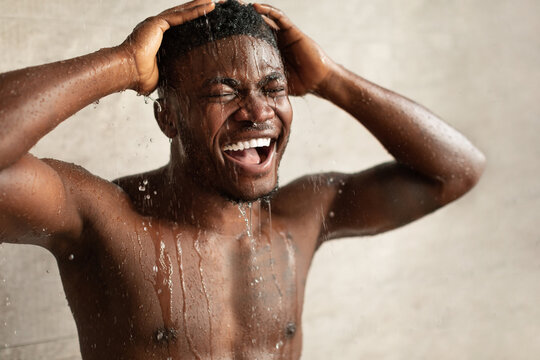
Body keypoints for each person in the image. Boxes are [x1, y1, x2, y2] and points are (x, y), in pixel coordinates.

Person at [0, 0, 485, 359]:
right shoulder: (101, 217)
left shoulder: (302, 215)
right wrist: (124, 63)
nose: (258, 111)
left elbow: (456, 171)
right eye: (223, 92)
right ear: (168, 118)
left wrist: (330, 77)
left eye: (274, 88)